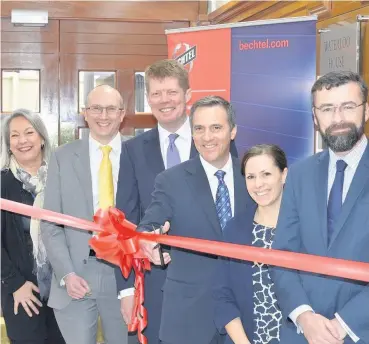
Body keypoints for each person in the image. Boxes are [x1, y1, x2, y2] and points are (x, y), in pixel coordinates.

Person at [115, 59, 238, 343]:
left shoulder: (217, 139)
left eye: (171, 92)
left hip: (220, 283)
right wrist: (126, 290)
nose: (164, 100)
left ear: (187, 95)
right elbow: (126, 223)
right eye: (156, 94)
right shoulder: (132, 150)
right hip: (156, 283)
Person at [137, 95, 252, 344]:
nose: (207, 137)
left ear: (233, 131)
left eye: (216, 128)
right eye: (199, 129)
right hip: (189, 317)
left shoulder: (252, 177)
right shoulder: (171, 180)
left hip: (245, 316)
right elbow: (149, 224)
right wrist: (148, 240)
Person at [270, 71, 369, 344]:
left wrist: (342, 325)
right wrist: (303, 317)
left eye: (348, 107)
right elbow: (282, 256)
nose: (337, 119)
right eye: (327, 109)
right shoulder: (299, 175)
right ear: (315, 118)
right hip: (302, 334)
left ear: (366, 110)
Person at [40, 85, 128, 344]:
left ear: (122, 114)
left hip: (123, 276)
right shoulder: (62, 158)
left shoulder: (137, 154)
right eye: (96, 108)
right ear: (85, 114)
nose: (104, 115)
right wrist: (66, 273)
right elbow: (50, 223)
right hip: (76, 275)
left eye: (111, 108)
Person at [1, 109, 65, 344]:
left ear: (42, 138)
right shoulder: (3, 183)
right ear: (8, 144)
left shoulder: (62, 178)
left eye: (29, 132)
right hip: (23, 293)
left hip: (63, 291)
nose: (23, 140)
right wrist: (16, 284)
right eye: (15, 135)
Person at [213, 144, 288, 344]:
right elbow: (223, 295)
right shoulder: (235, 229)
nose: (258, 184)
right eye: (251, 177)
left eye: (266, 174)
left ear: (284, 175)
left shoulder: (305, 226)